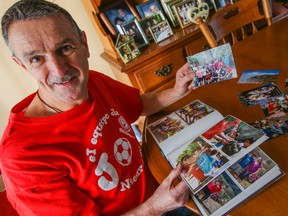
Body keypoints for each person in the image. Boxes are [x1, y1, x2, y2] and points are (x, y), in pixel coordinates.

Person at [0, 0, 197, 215]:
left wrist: (176, 90)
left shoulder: (91, 80)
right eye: (36, 59)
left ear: (84, 43)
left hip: (164, 185)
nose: (59, 70)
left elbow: (140, 105)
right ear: (22, 65)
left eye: (65, 48)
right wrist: (154, 207)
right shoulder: (22, 156)